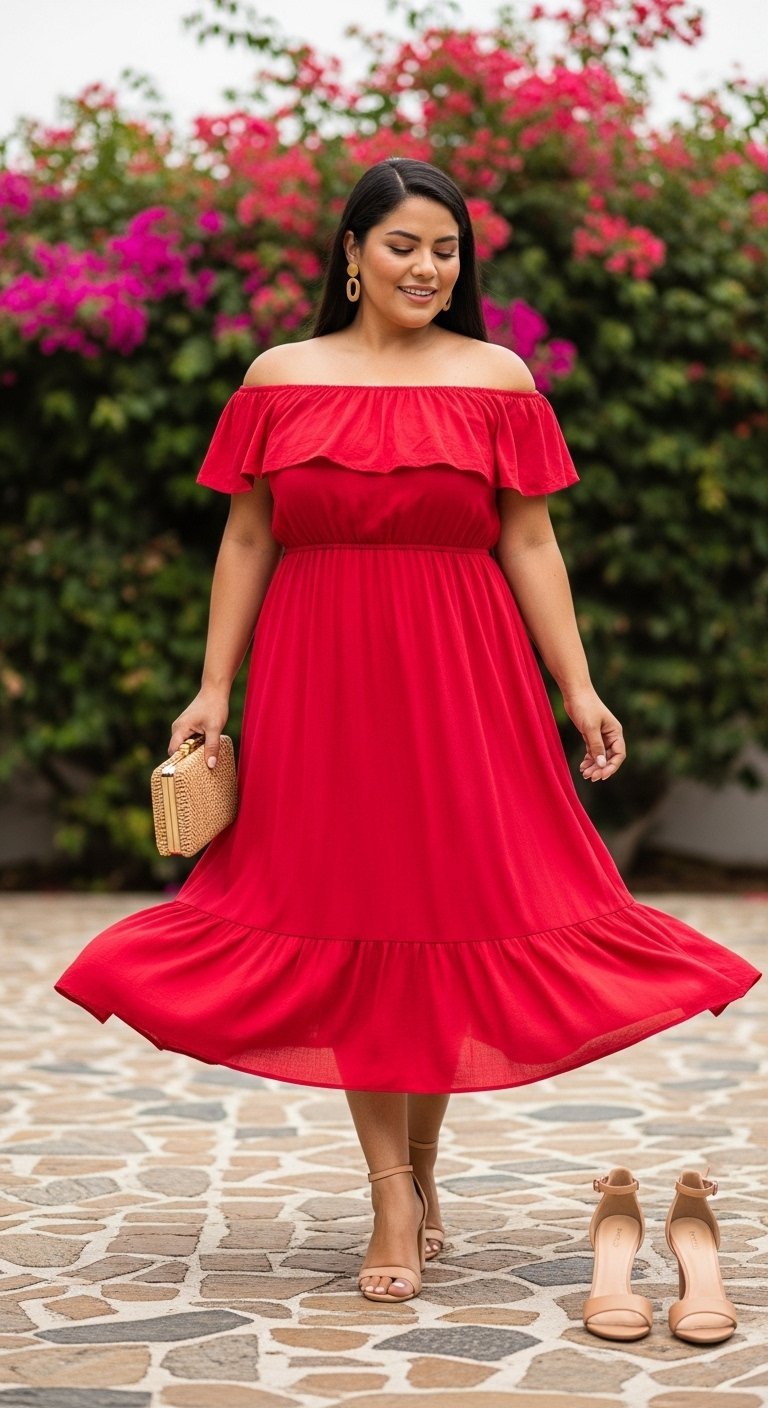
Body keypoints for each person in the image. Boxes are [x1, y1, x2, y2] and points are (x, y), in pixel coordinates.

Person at [55, 157, 761, 1309]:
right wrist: (212, 689)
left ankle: (422, 1171)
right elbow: (245, 540)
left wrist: (577, 688)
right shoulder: (280, 377)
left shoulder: (498, 377)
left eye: (447, 250)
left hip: (464, 671)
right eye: (403, 247)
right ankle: (394, 1191)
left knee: (434, 912)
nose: (428, 268)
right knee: (347, 907)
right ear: (351, 253)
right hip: (317, 672)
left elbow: (529, 544)